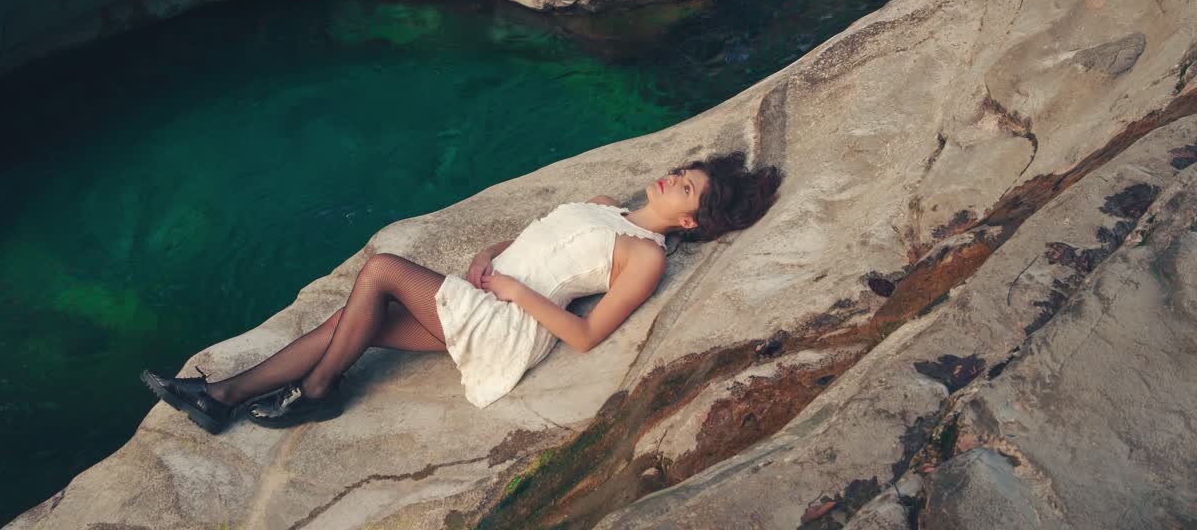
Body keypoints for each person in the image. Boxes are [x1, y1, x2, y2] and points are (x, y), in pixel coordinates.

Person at [141, 151, 782, 433]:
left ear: (691, 221)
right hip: (490, 296)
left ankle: (318, 391)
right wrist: (491, 253)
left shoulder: (645, 258)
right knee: (353, 318)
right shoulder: (607, 206)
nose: (672, 180)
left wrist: (504, 284)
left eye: (686, 188)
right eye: (681, 173)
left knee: (384, 270)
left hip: (508, 326)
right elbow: (541, 245)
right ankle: (222, 397)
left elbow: (585, 336)